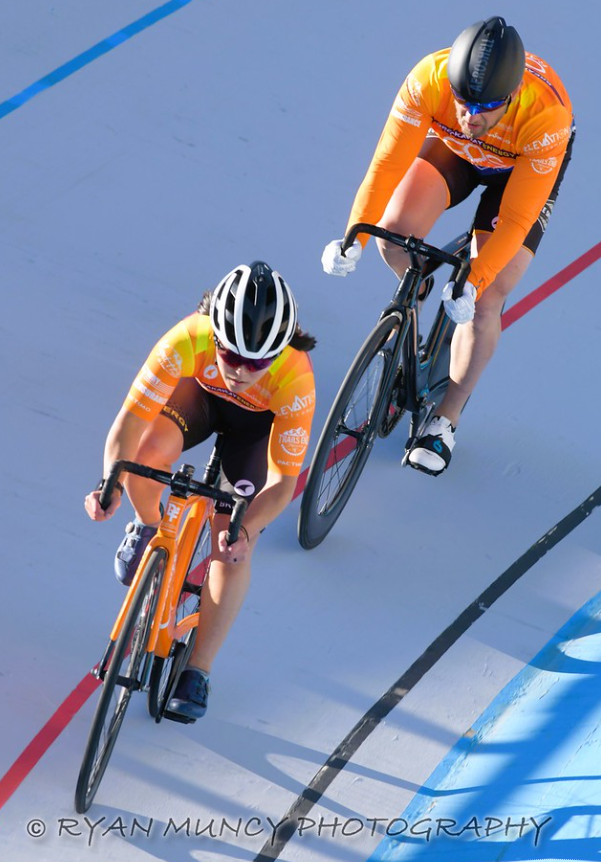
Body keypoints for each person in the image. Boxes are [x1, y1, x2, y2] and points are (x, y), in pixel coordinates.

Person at [322, 16, 574, 475]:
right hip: (456, 152)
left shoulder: (546, 118)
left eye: (485, 108)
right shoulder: (429, 80)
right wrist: (354, 233)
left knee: (489, 296)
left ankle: (446, 417)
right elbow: (385, 165)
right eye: (462, 101)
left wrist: (474, 281)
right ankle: (413, 303)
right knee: (394, 234)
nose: (469, 116)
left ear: (512, 98)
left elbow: (516, 220)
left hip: (518, 172)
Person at [84, 261, 316, 719]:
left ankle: (199, 668)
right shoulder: (187, 339)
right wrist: (111, 483)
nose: (242, 372)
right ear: (215, 338)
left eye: (258, 362)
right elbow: (129, 423)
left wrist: (245, 533)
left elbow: (282, 483)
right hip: (200, 399)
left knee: (232, 544)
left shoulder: (295, 381)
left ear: (279, 353)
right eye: (232, 357)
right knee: (146, 456)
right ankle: (149, 525)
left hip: (256, 429)